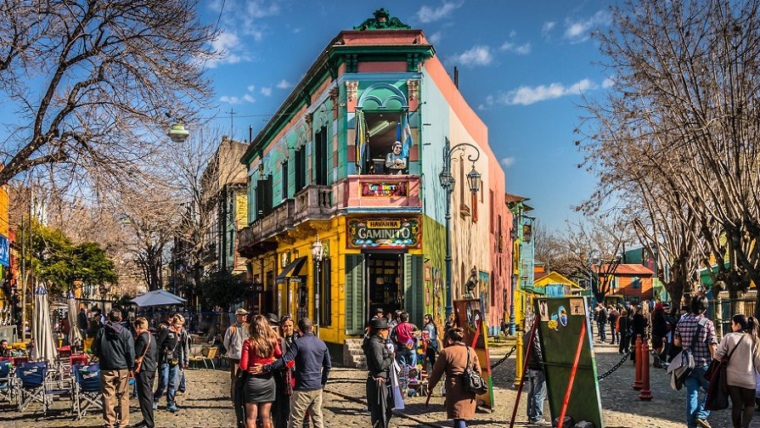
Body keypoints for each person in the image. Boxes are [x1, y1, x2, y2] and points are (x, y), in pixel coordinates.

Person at [258, 317, 331, 428]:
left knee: (296, 421)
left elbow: (285, 360)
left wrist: (266, 367)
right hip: (317, 388)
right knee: (317, 420)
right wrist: (322, 382)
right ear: (311, 328)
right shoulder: (321, 344)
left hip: (302, 388)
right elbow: (328, 366)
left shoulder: (298, 343)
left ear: (299, 330)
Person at [674, 296, 717, 428]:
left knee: (691, 395)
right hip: (703, 364)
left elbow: (676, 342)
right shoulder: (708, 323)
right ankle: (702, 414)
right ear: (705, 308)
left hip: (688, 366)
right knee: (714, 390)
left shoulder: (682, 321)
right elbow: (713, 347)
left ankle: (691, 425)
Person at [427, 327, 482, 428]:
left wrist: (431, 385)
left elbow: (437, 372)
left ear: (449, 339)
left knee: (458, 417)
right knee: (461, 416)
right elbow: (478, 371)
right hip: (468, 387)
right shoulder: (471, 351)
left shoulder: (446, 352)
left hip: (454, 387)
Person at [713, 314, 760, 428]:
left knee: (736, 405)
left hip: (732, 378)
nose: (731, 326)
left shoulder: (729, 337)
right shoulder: (754, 339)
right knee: (750, 405)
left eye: (732, 323)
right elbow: (758, 362)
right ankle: (745, 426)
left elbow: (717, 355)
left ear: (738, 325)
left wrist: (726, 359)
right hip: (749, 379)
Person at [92, 309, 135, 428]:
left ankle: (109, 423)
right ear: (120, 319)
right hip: (122, 367)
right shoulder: (126, 333)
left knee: (107, 396)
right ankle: (123, 422)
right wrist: (131, 366)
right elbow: (130, 351)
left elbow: (94, 348)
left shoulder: (102, 331)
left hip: (106, 367)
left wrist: (101, 356)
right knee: (123, 396)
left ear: (109, 318)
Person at [240, 315, 281, 428]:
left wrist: (251, 366)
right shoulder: (272, 341)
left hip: (253, 382)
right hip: (268, 381)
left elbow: (243, 366)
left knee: (251, 418)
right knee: (266, 417)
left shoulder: (248, 342)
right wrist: (269, 362)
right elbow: (280, 357)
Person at [362, 317, 395, 428]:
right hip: (378, 383)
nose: (388, 332)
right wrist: (391, 357)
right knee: (380, 415)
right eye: (386, 329)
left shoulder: (379, 342)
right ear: (380, 331)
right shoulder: (375, 344)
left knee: (386, 412)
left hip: (383, 381)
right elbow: (380, 364)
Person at [153, 314, 187, 412]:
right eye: (178, 324)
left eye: (181, 325)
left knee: (172, 383)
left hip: (175, 361)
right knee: (164, 382)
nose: (179, 327)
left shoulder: (180, 334)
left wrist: (182, 362)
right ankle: (155, 399)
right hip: (164, 360)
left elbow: (180, 349)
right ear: (173, 323)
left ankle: (170, 403)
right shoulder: (166, 331)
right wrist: (157, 359)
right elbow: (158, 345)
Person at [133, 317, 157, 428]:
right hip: (151, 368)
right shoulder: (151, 336)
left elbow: (136, 354)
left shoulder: (142, 337)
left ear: (138, 326)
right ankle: (147, 419)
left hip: (144, 369)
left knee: (144, 396)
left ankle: (149, 422)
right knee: (148, 395)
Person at [224, 308, 250, 400]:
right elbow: (226, 343)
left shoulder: (248, 327)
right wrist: (232, 351)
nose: (245, 317)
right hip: (235, 358)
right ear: (238, 316)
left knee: (246, 378)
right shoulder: (232, 328)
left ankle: (244, 396)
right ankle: (234, 397)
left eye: (246, 315)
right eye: (243, 315)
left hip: (247, 357)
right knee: (235, 378)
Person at [524, 326, 546, 424]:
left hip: (531, 366)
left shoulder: (527, 334)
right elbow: (538, 351)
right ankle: (536, 417)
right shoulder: (535, 334)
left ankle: (530, 415)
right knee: (539, 393)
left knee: (532, 393)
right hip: (538, 367)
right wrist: (544, 366)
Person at [651, 303, 668, 368]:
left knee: (656, 348)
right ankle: (657, 362)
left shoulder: (654, 314)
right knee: (659, 348)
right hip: (659, 334)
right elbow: (661, 326)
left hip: (655, 333)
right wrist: (663, 335)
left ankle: (656, 362)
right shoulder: (659, 315)